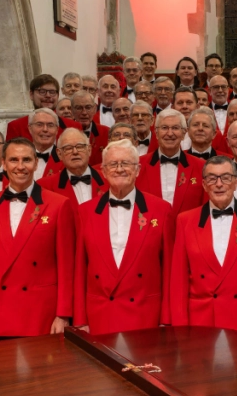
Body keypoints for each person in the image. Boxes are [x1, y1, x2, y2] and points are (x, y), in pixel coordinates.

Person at [0, 138, 74, 341]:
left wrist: (63, 315)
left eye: (26, 160)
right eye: (13, 160)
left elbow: (66, 266)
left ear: (36, 163)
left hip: (41, 313)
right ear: (3, 163)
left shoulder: (58, 204)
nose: (20, 167)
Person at [171, 155, 237, 338]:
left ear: (235, 183)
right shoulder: (185, 220)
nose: (219, 184)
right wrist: (180, 327)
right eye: (212, 178)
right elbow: (179, 280)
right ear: (204, 185)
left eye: (226, 178)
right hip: (202, 323)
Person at [74, 139, 172, 334]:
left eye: (126, 163)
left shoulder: (161, 210)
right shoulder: (85, 211)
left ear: (137, 169)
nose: (119, 169)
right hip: (99, 316)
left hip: (145, 315)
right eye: (113, 164)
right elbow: (79, 269)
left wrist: (166, 319)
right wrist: (79, 319)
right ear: (103, 170)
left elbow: (168, 269)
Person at [135, 109, 207, 218]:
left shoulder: (202, 167)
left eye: (175, 128)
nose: (170, 133)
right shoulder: (137, 165)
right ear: (156, 133)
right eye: (164, 128)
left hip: (186, 232)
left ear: (184, 133)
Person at [37, 127, 108, 207]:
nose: (75, 152)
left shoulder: (109, 180)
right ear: (59, 154)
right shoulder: (44, 186)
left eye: (80, 147)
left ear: (89, 150)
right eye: (68, 148)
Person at [5, 74, 82, 141]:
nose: (48, 95)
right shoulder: (16, 127)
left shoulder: (74, 126)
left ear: (58, 96)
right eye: (42, 91)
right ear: (31, 94)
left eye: (52, 92)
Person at [71, 90, 110, 166]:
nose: (84, 112)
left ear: (95, 109)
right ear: (72, 110)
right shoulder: (62, 132)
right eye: (79, 108)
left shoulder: (106, 132)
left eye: (88, 107)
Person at [28, 108, 64, 180]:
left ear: (57, 130)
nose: (45, 129)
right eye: (39, 125)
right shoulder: (18, 156)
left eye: (50, 125)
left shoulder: (65, 158)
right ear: (30, 128)